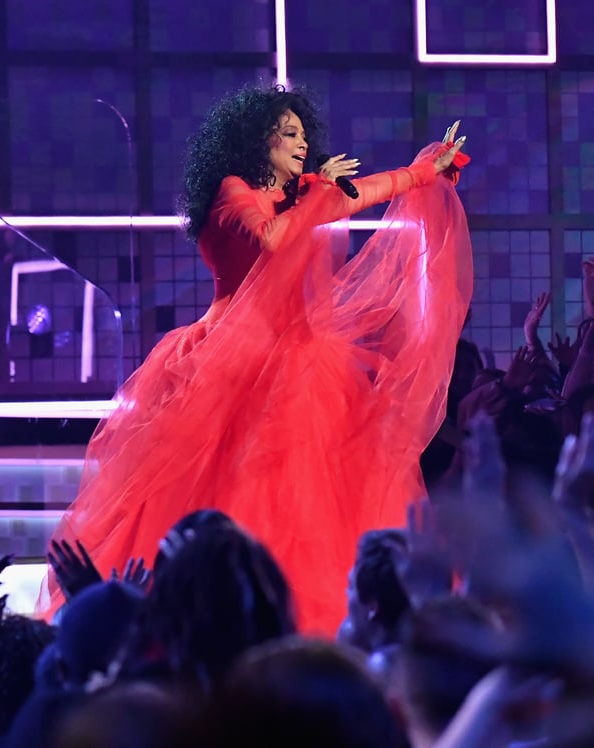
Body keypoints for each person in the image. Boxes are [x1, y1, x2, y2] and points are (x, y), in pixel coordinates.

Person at [44, 83, 473, 633]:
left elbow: (366, 191)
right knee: (221, 494)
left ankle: (314, 625)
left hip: (302, 365)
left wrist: (424, 171)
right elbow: (272, 239)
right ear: (256, 142)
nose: (300, 144)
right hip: (228, 361)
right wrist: (319, 197)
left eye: (302, 134)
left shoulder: (306, 193)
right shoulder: (232, 191)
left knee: (311, 502)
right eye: (287, 134)